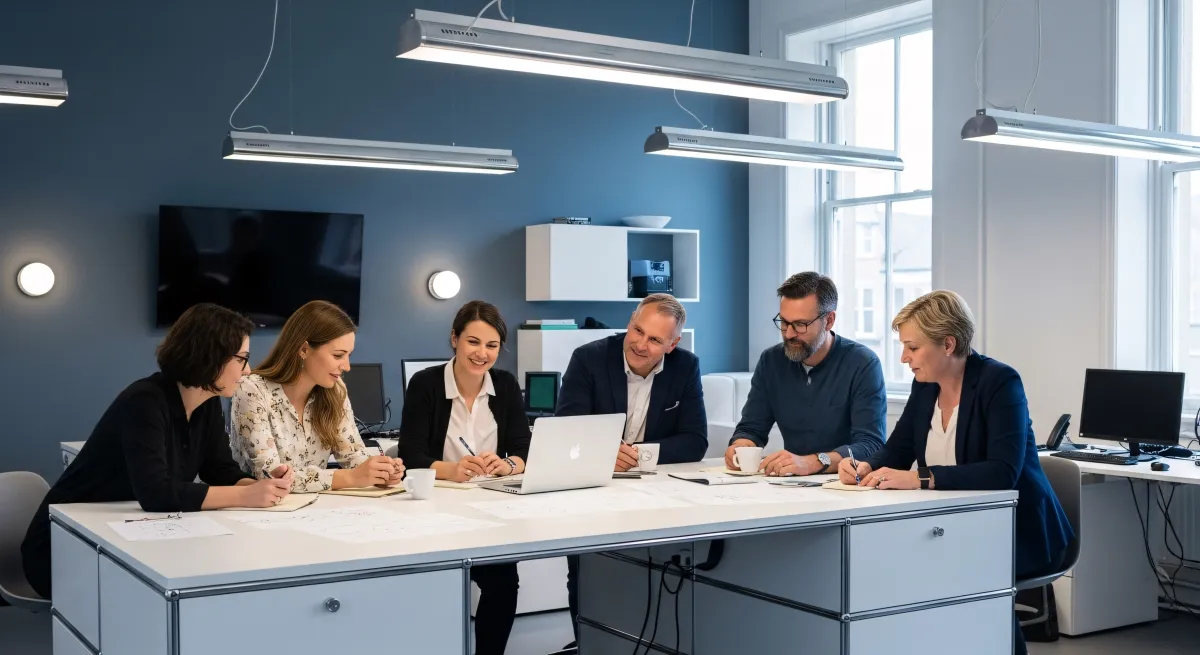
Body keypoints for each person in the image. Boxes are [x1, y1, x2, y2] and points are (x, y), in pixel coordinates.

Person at [838, 290, 1073, 655]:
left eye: (912, 348)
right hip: (954, 529)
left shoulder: (1000, 382)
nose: (904, 358)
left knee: (947, 576)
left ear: (948, 344)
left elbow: (1002, 472)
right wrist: (866, 465)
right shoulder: (925, 385)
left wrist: (921, 478)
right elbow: (898, 451)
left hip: (1016, 530)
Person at [21, 304, 293, 599]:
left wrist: (261, 487)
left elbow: (219, 470)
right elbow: (155, 493)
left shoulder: (208, 400)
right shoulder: (144, 400)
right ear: (210, 355)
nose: (247, 370)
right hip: (64, 544)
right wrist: (246, 496)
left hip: (125, 534)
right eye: (242, 359)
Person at [556, 293, 707, 645]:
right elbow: (567, 429)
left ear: (673, 344)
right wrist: (604, 452)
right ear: (630, 322)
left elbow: (695, 441)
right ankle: (587, 643)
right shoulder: (589, 358)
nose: (640, 344)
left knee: (649, 572)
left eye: (655, 339)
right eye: (637, 330)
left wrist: (638, 455)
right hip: (592, 487)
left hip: (654, 491)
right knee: (586, 572)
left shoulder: (686, 366)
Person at [397, 300, 528, 655]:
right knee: (437, 587)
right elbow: (411, 454)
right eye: (473, 342)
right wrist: (452, 471)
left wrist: (508, 465)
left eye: (492, 345)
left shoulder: (506, 384)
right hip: (435, 508)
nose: (482, 353)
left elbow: (523, 448)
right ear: (454, 339)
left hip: (492, 508)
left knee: (503, 585)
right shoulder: (425, 384)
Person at [230, 300, 403, 491]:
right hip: (255, 511)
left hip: (315, 509)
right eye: (338, 355)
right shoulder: (252, 390)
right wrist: (351, 478)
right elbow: (268, 474)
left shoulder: (336, 390)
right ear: (304, 349)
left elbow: (354, 457)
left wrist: (381, 471)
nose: (346, 366)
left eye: (348, 355)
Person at [725, 272, 886, 477]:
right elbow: (752, 427)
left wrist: (814, 462)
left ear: (829, 321)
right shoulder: (771, 361)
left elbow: (871, 444)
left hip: (845, 485)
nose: (789, 334)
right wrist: (740, 446)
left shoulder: (863, 363)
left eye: (801, 325)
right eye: (784, 322)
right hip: (790, 484)